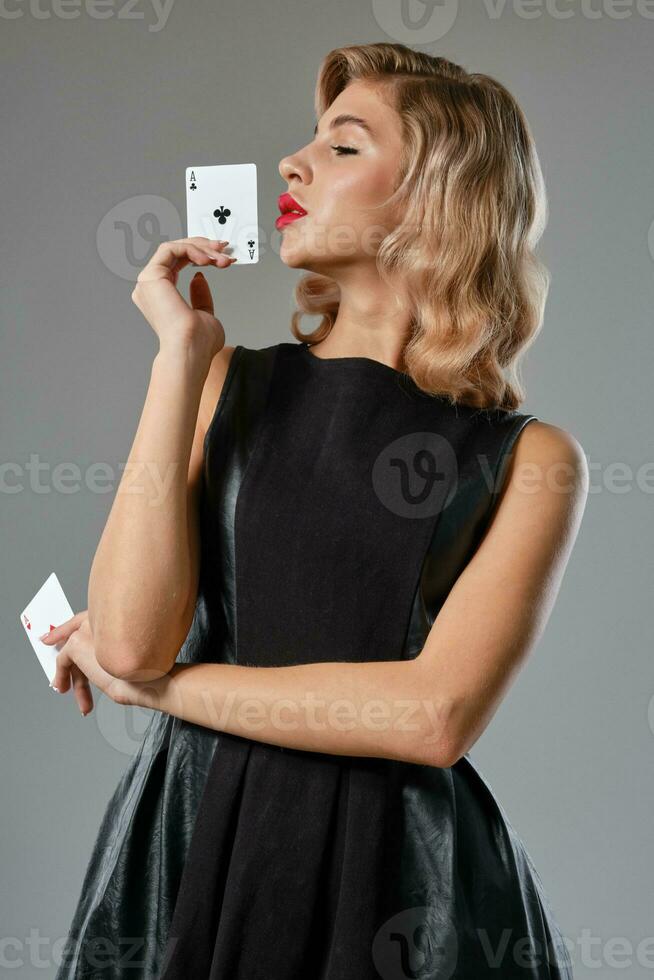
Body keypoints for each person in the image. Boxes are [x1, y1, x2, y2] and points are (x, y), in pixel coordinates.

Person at [48, 42, 587, 979]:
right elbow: (129, 643)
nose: (290, 165)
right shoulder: (222, 383)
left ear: (437, 198)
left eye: (342, 147)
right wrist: (178, 356)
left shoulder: (532, 459)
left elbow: (434, 720)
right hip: (193, 840)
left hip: (403, 881)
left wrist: (167, 693)